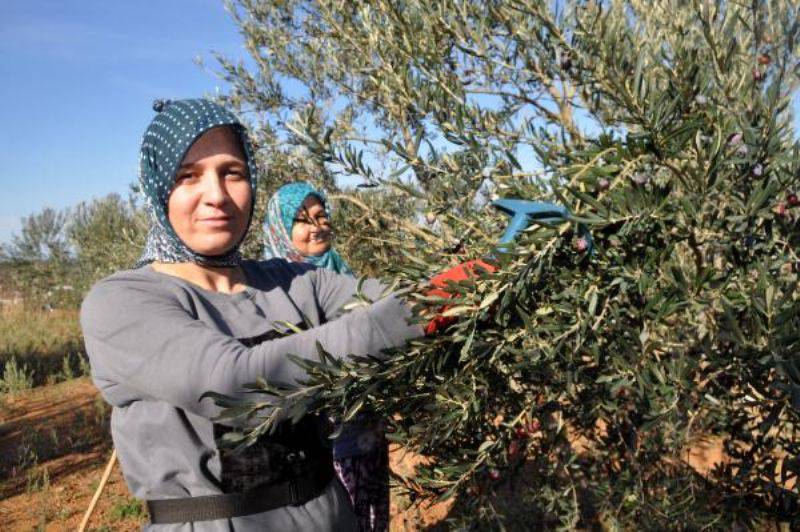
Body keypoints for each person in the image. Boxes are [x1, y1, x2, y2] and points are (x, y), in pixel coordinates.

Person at [80, 99, 423, 531]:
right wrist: (414, 314)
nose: (217, 196)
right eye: (188, 176)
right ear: (157, 186)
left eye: (233, 173)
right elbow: (233, 384)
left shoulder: (292, 279)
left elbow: (388, 297)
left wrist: (485, 274)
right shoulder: (123, 301)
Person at [263, 182, 389, 532]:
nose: (317, 226)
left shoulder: (341, 271)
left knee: (372, 511)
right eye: (302, 221)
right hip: (315, 443)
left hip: (365, 427)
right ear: (280, 229)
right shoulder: (271, 289)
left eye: (321, 216)